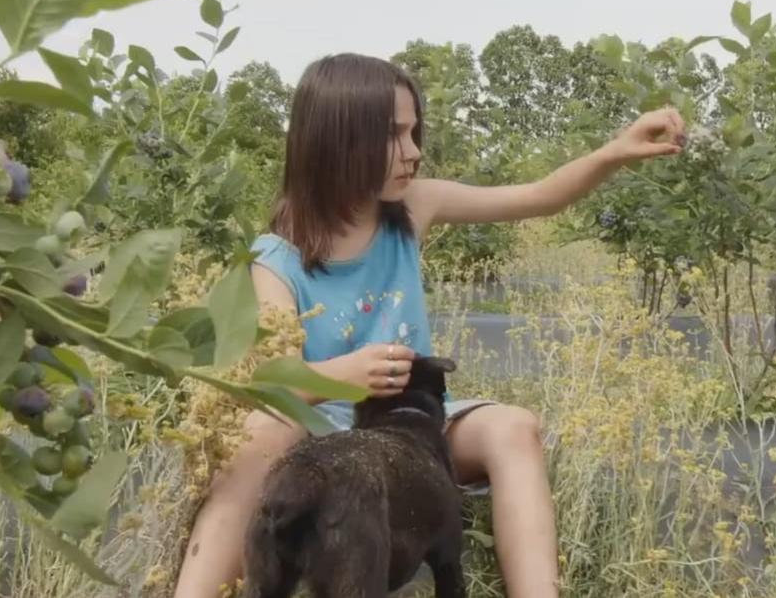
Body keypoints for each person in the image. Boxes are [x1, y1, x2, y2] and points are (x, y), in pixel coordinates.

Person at [170, 52, 685, 598]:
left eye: (415, 132)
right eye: (394, 134)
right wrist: (342, 375)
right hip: (322, 437)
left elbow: (539, 197)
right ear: (335, 139)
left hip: (414, 438)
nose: (413, 152)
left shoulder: (413, 208)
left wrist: (614, 152)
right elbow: (271, 384)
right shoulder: (275, 259)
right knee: (261, 432)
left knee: (513, 427)